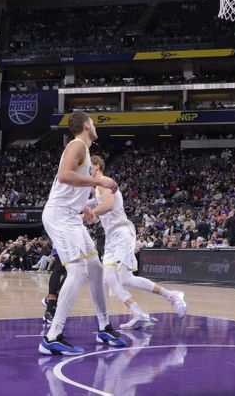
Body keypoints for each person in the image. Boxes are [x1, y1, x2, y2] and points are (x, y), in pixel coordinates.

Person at [38, 112, 125, 356]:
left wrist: (84, 206)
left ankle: (104, 326)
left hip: (70, 215)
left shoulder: (83, 151)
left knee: (95, 268)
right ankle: (52, 336)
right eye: (94, 123)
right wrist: (98, 183)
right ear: (86, 125)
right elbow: (64, 175)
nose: (96, 127)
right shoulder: (77, 144)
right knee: (76, 270)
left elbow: (68, 185)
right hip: (59, 215)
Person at [91, 156, 187, 329]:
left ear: (97, 166)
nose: (85, 171)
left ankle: (171, 295)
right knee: (109, 278)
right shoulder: (96, 189)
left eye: (88, 166)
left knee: (124, 278)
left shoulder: (105, 182)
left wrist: (86, 215)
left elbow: (107, 205)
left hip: (122, 233)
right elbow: (90, 203)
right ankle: (139, 313)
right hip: (111, 238)